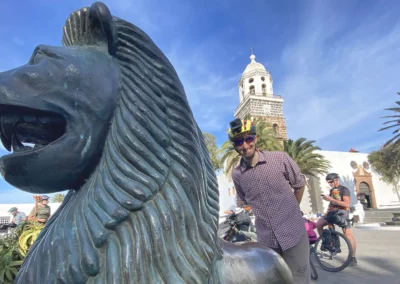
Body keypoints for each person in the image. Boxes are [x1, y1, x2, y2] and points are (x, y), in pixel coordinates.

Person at [228, 118, 310, 284]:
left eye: (248, 139)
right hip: (267, 242)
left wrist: (294, 208)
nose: (244, 145)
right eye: (238, 142)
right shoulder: (237, 175)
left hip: (293, 234)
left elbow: (299, 185)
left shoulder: (280, 159)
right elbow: (244, 201)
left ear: (256, 139)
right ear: (235, 146)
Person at [316, 173, 358, 266]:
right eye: (328, 182)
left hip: (342, 213)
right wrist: (327, 210)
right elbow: (331, 203)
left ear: (336, 180)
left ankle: (353, 257)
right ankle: (326, 242)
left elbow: (346, 204)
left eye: (331, 182)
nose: (329, 184)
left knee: (348, 234)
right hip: (331, 213)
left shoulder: (344, 189)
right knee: (318, 225)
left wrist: (331, 199)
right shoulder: (332, 190)